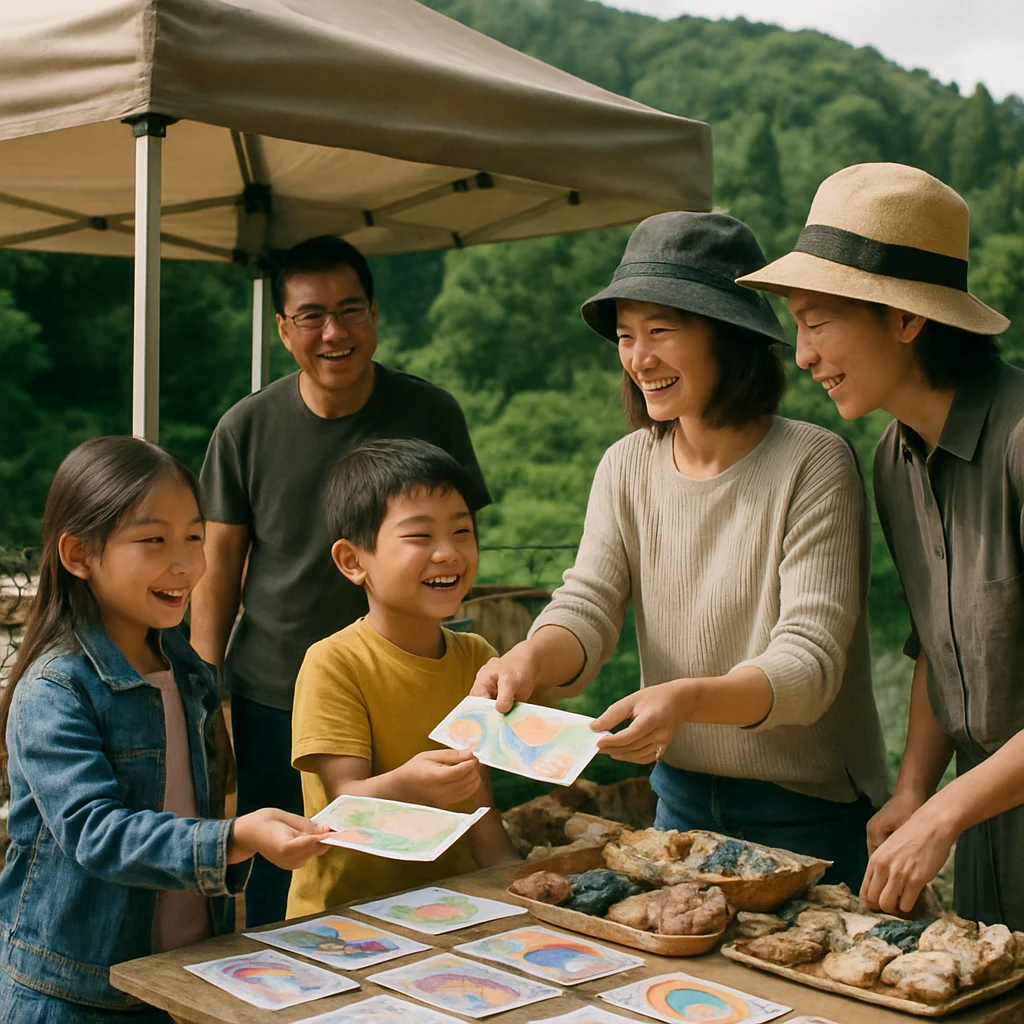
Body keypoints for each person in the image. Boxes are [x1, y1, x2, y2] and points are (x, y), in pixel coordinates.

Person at [473, 212, 891, 889]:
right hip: (679, 805)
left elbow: (808, 665)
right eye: (626, 336)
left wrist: (684, 699)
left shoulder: (814, 463)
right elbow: (588, 605)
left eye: (661, 331)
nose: (639, 358)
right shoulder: (626, 466)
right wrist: (529, 657)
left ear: (730, 337)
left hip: (809, 812)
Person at [736, 162, 1023, 928]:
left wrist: (944, 812)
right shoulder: (895, 460)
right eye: (796, 325)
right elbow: (938, 645)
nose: (802, 356)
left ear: (907, 318)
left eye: (819, 322)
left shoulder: (1021, 441)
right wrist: (914, 791)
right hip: (990, 827)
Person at [191, 235, 490, 926]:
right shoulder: (247, 426)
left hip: (401, 680)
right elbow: (219, 564)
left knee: (409, 849)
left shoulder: (430, 413)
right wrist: (205, 692)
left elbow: (456, 535)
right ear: (283, 329)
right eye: (312, 315)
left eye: (350, 310)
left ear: (376, 316)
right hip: (274, 687)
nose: (334, 332)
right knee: (282, 864)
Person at [0, 436, 329, 1024]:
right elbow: (94, 832)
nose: (185, 564)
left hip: (184, 980)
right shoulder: (55, 688)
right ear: (77, 553)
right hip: (75, 994)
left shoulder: (188, 669)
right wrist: (233, 839)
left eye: (195, 536)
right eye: (153, 540)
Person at [287, 438, 518, 917]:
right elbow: (344, 796)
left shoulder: (478, 658)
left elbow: (481, 805)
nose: (448, 553)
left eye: (462, 531)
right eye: (419, 537)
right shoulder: (334, 662)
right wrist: (408, 784)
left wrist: (513, 882)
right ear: (353, 561)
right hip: (347, 919)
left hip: (452, 907)